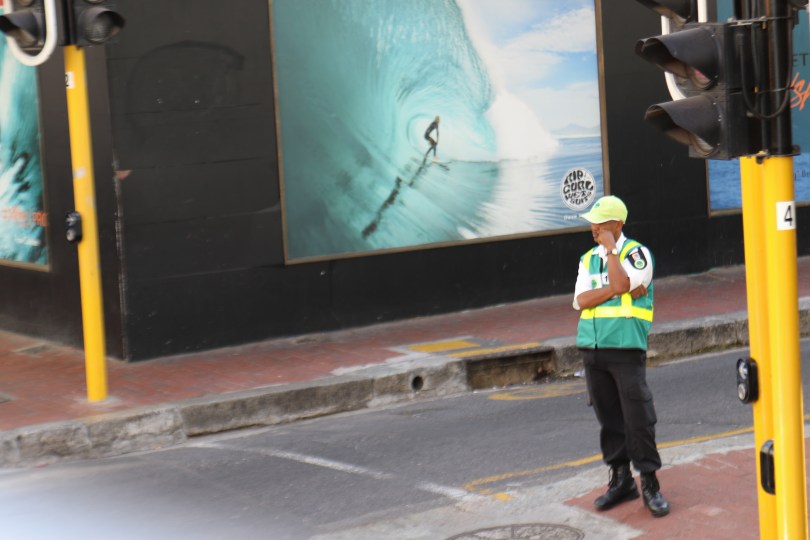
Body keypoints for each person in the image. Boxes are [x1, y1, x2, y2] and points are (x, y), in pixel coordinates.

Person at [572, 195, 670, 518]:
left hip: (626, 348)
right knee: (609, 419)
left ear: (617, 225)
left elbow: (621, 279)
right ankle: (621, 479)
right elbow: (581, 301)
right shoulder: (588, 259)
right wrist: (617, 289)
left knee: (638, 418)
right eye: (593, 223)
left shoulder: (637, 254)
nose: (594, 228)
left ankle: (651, 484)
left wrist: (614, 252)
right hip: (594, 348)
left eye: (600, 223)